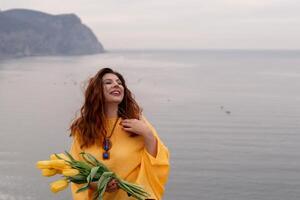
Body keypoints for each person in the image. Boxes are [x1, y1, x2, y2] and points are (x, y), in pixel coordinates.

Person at [68, 68, 170, 200]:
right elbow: (76, 171)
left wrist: (147, 134)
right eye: (108, 82)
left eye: (119, 82)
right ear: (97, 91)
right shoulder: (84, 128)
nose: (116, 85)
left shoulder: (136, 123)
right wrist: (98, 184)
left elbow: (158, 161)